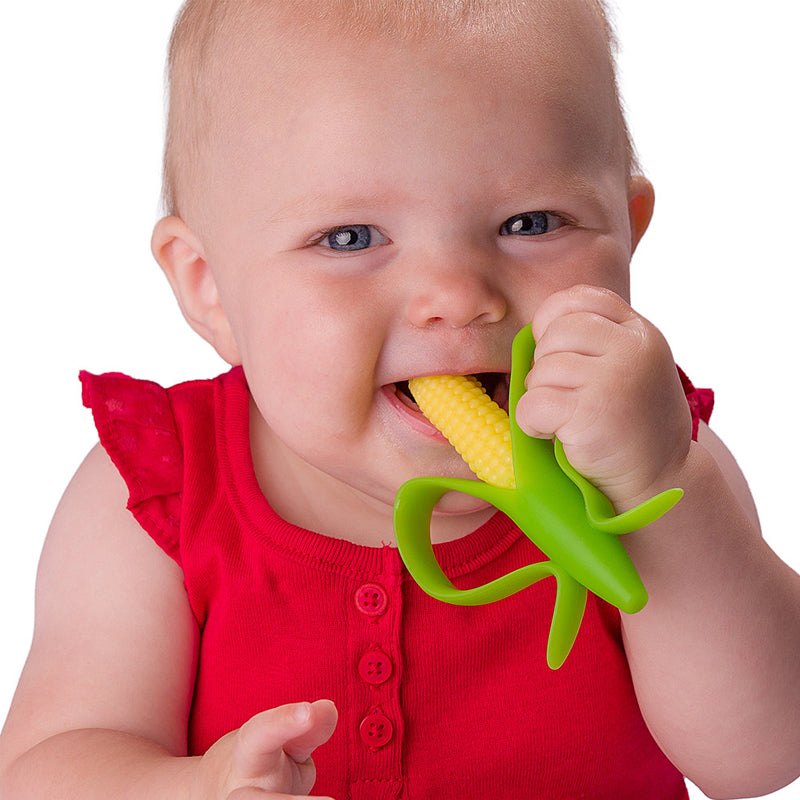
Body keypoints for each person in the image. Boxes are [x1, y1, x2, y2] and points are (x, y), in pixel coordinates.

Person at [1, 0, 799, 797]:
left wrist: (664, 487)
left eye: (531, 221)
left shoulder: (652, 460)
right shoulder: (155, 495)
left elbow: (760, 758)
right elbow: (49, 764)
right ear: (208, 288)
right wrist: (192, 789)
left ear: (628, 232)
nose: (456, 297)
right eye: (351, 238)